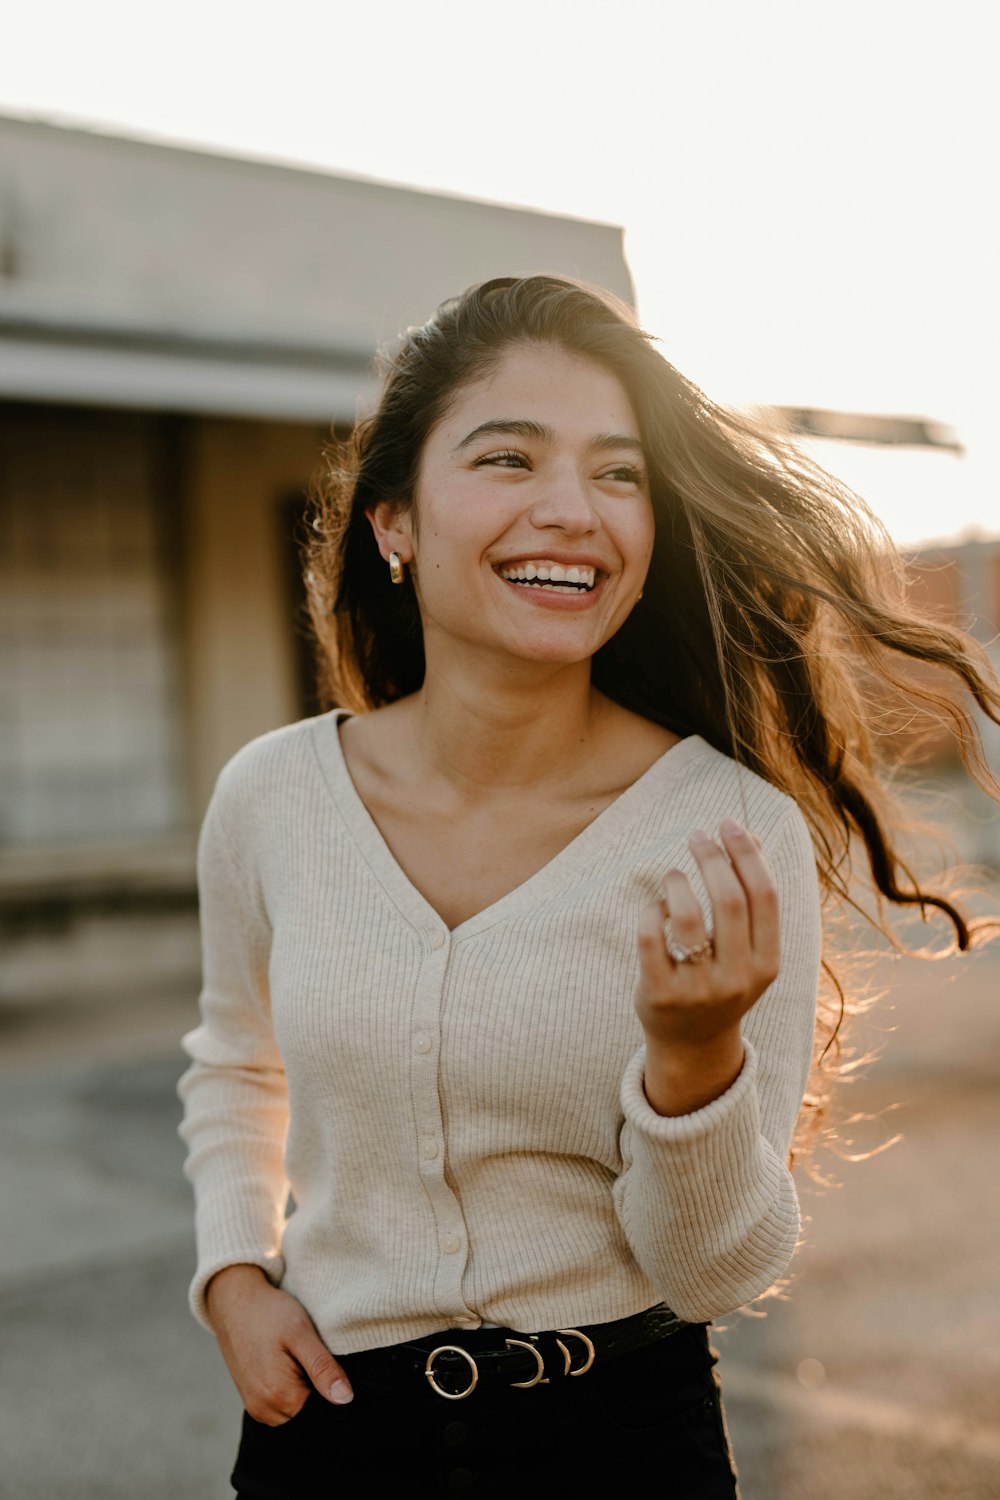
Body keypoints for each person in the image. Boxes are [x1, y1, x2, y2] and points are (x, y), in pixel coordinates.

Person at [178, 275, 1000, 1499]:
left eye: (619, 475)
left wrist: (694, 1057)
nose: (573, 511)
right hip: (326, 1441)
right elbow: (239, 1062)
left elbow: (717, 1272)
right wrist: (234, 1274)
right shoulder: (272, 798)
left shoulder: (726, 827)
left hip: (619, 1446)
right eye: (508, 459)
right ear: (393, 521)